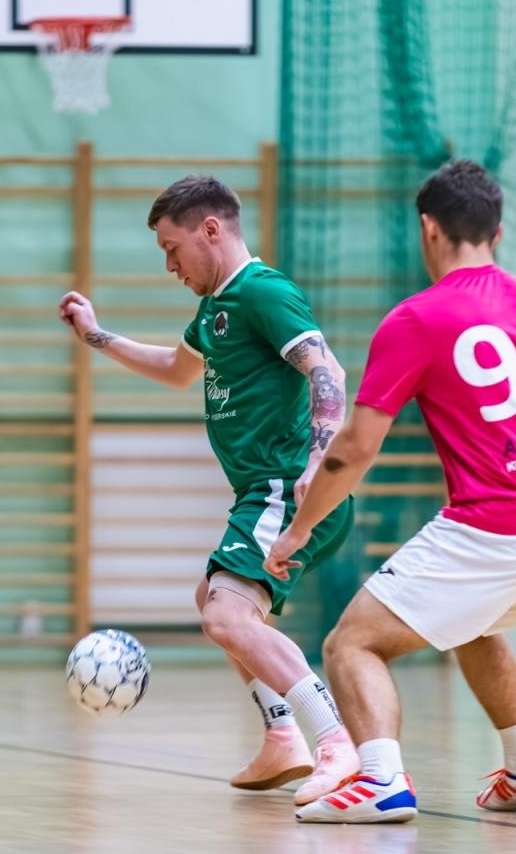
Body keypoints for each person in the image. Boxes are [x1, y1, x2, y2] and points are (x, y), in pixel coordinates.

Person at [265, 160, 516, 824]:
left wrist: (297, 531)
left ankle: (380, 779)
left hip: (498, 533)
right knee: (471, 620)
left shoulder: (418, 318)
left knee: (352, 642)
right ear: (500, 231)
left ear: (428, 228)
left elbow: (353, 449)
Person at [59, 175, 360, 805]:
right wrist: (96, 335)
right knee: (213, 599)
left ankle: (336, 746)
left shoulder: (262, 292)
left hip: (287, 488)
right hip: (263, 490)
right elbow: (176, 367)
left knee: (226, 615)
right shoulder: (216, 310)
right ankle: (283, 740)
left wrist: (320, 456)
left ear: (212, 231)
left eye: (173, 248)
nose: (169, 264)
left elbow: (326, 368)